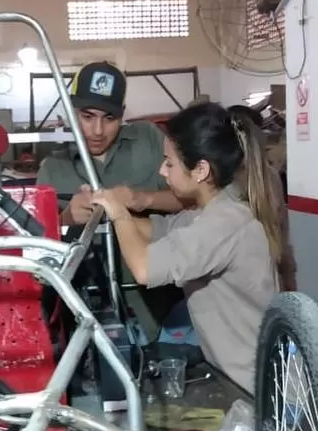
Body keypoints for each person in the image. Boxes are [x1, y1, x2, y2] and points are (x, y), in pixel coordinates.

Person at [91, 101, 282, 394]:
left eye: (170, 163)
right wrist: (112, 206)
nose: (162, 170)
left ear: (201, 170)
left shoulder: (225, 224)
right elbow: (157, 230)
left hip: (261, 389)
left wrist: (117, 213)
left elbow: (144, 268)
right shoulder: (211, 212)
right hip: (240, 378)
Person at [37, 61, 182, 337]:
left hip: (160, 307)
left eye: (109, 118)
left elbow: (191, 203)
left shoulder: (149, 141)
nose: (98, 130)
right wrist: (66, 219)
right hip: (84, 315)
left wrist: (143, 199)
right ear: (70, 110)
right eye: (87, 116)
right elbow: (38, 251)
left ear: (123, 114)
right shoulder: (52, 169)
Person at [227, 104, 297, 292]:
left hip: (242, 286)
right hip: (272, 279)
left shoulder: (223, 185)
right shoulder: (271, 176)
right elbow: (282, 233)